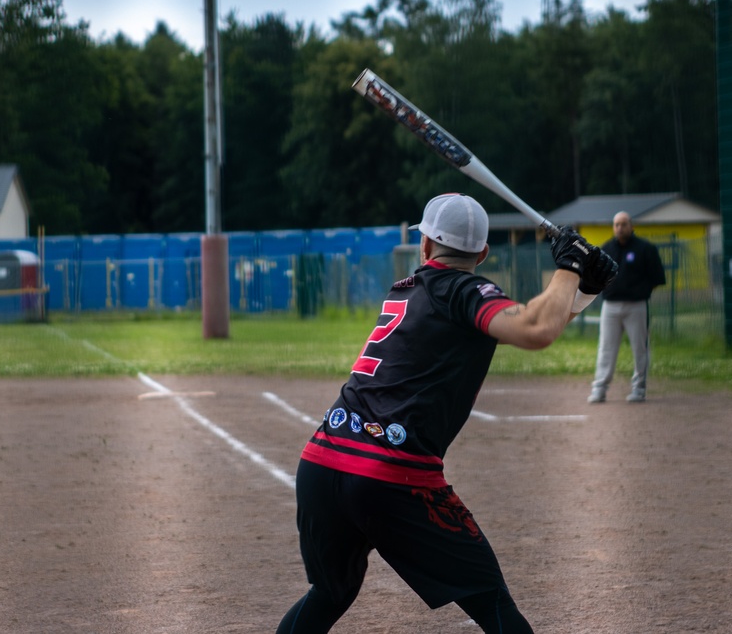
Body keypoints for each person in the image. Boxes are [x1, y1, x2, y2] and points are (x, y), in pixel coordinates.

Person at [276, 193, 617, 634]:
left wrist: (584, 289)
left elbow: (533, 320)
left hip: (322, 463)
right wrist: (569, 268)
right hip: (391, 476)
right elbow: (536, 328)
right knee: (493, 603)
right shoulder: (464, 291)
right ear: (482, 253)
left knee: (330, 594)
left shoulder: (410, 291)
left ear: (424, 246)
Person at [587, 211, 667, 404]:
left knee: (640, 348)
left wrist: (639, 292)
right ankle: (599, 389)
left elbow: (657, 278)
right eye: (616, 225)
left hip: (636, 306)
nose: (620, 228)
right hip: (610, 306)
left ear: (631, 226)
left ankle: (639, 389)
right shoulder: (606, 249)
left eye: (624, 224)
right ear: (613, 227)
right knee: (606, 348)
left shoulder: (645, 249)